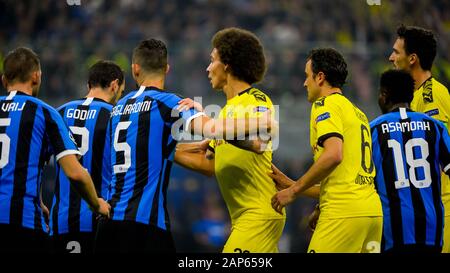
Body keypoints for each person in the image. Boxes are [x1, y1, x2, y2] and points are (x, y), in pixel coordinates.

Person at [95, 38, 273, 253]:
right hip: (146, 224)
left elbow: (146, 150)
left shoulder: (117, 108)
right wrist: (265, 122)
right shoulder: (169, 102)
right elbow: (212, 129)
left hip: (108, 223)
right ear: (167, 69)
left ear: (135, 69)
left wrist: (172, 149)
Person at [174, 27, 285, 253]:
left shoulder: (257, 98)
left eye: (212, 60)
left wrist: (208, 124)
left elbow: (262, 141)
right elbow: (210, 166)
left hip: (259, 213)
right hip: (244, 217)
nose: (208, 68)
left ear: (227, 64)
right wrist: (165, 151)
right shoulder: (225, 113)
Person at [269, 48, 383, 253]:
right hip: (371, 214)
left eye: (307, 76)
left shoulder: (325, 105)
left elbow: (333, 155)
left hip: (343, 213)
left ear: (320, 77)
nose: (305, 83)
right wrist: (293, 184)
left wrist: (293, 192)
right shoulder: (357, 113)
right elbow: (345, 179)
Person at [0, 47, 110, 253]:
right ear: (36, 76)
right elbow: (74, 172)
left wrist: (39, 199)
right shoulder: (45, 113)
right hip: (22, 222)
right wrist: (97, 204)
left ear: (4, 80)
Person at [371, 69, 450, 253]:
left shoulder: (373, 130)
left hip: (394, 229)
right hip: (432, 228)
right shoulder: (435, 126)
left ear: (384, 95)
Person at [49, 60, 124, 254]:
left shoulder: (59, 113)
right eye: (121, 92)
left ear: (88, 85)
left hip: (61, 220)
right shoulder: (118, 116)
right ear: (115, 85)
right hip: (102, 218)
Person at [389, 25, 450, 252]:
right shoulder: (413, 98)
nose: (391, 57)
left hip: (444, 203)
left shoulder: (431, 96)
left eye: (396, 52)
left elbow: (440, 151)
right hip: (426, 206)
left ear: (412, 58)